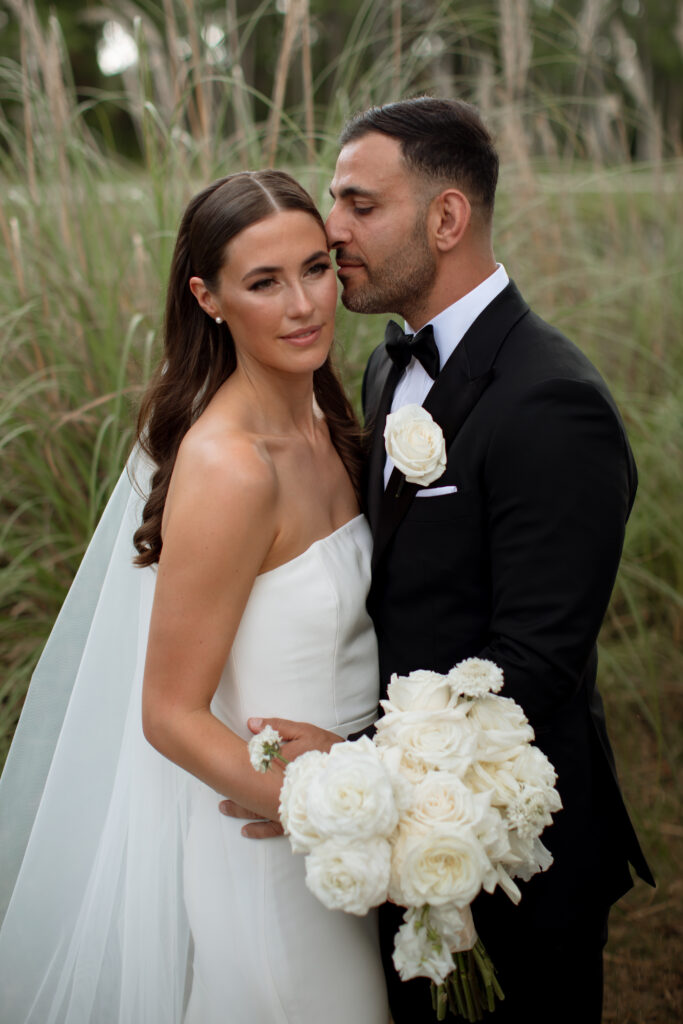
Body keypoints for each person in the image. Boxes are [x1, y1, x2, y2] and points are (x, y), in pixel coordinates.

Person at [224, 98, 655, 1023]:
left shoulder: (553, 403)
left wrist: (350, 770)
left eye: (359, 204)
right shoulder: (387, 369)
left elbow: (533, 664)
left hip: (513, 852)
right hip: (394, 837)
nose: (331, 230)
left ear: (446, 218)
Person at [0, 171, 389, 1023]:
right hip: (274, 853)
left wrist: (374, 803)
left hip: (352, 832)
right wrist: (314, 805)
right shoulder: (229, 466)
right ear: (207, 298)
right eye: (264, 283)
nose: (302, 305)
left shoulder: (328, 422)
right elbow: (169, 713)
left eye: (315, 268)